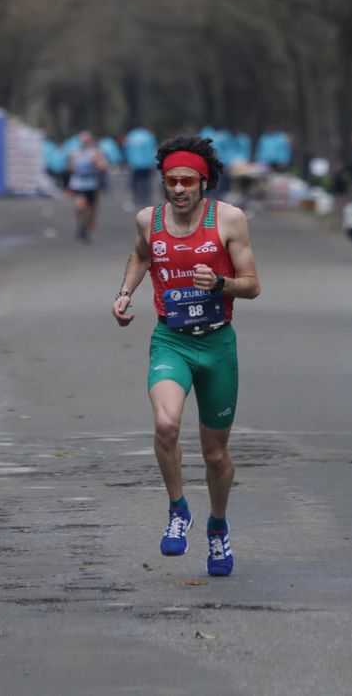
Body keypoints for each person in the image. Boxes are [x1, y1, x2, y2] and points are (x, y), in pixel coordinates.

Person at [112, 135, 261, 577]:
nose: (178, 189)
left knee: (215, 456)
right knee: (165, 424)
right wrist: (124, 294)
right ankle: (178, 509)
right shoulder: (148, 220)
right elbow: (141, 255)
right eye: (170, 181)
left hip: (216, 345)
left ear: (203, 183)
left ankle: (217, 527)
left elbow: (252, 284)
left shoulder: (229, 220)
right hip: (171, 340)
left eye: (187, 182)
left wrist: (220, 284)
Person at [67, 131, 109, 242]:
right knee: (79, 206)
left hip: (91, 185)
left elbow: (104, 166)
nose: (84, 142)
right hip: (77, 184)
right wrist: (72, 167)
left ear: (90, 141)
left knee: (90, 209)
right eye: (82, 140)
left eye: (86, 140)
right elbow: (69, 167)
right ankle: (80, 225)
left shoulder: (95, 152)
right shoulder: (74, 153)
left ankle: (86, 227)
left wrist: (96, 163)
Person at [123, 123, 158, 207]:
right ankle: (147, 199)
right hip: (147, 163)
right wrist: (154, 162)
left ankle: (136, 199)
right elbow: (153, 150)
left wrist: (128, 161)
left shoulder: (131, 135)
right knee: (147, 181)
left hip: (134, 163)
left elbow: (126, 149)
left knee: (135, 181)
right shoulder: (149, 136)